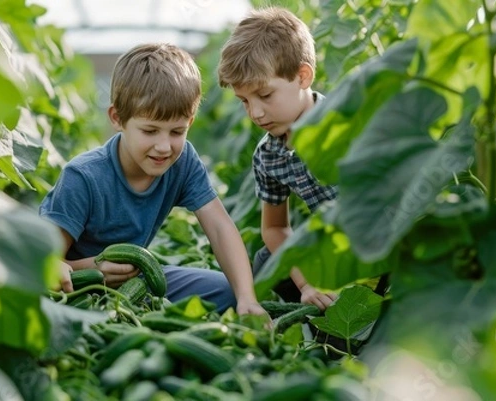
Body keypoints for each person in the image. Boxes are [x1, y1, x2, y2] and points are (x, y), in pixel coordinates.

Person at [40, 43, 268, 317]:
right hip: (75, 291)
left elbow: (220, 227)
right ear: (117, 118)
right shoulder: (84, 177)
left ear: (190, 122)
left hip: (139, 282)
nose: (164, 146)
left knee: (231, 290)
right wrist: (91, 269)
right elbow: (44, 264)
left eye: (176, 131)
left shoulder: (183, 161)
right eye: (150, 130)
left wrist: (247, 299)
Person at [217, 7, 339, 311]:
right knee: (265, 261)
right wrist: (307, 283)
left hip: (381, 239)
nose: (255, 113)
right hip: (331, 246)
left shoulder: (345, 124)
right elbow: (274, 229)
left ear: (302, 76)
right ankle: (318, 312)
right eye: (245, 101)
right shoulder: (269, 155)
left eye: (265, 96)